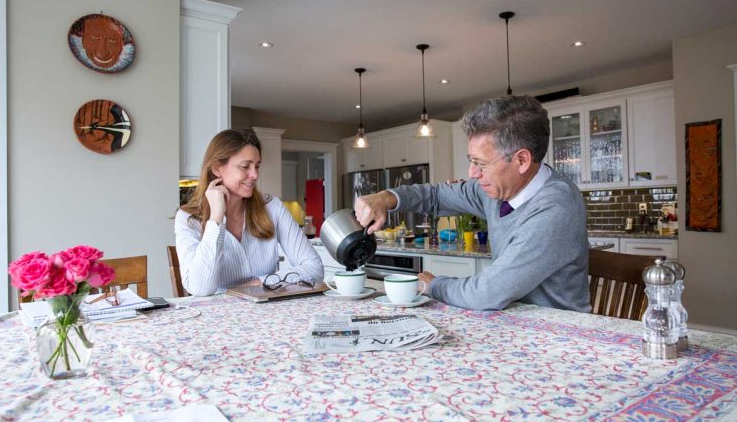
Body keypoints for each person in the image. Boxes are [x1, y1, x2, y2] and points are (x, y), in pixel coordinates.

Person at [355, 95, 590, 312]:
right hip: (511, 320)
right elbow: (437, 196)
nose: (473, 173)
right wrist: (387, 197)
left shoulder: (555, 209)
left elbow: (486, 294)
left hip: (556, 334)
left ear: (521, 160)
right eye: (471, 161)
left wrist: (433, 285)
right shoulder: (494, 192)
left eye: (481, 163)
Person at [175, 129, 323, 296]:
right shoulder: (188, 219)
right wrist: (215, 219)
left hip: (267, 313)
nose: (254, 175)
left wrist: (260, 282)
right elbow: (200, 289)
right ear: (217, 168)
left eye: (257, 166)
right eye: (245, 166)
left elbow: (315, 269)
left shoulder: (273, 208)